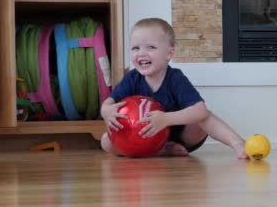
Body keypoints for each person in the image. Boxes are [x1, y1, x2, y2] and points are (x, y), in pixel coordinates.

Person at [100, 18, 248, 159]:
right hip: (142, 139)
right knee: (106, 142)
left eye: (151, 47)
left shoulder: (175, 78)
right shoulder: (132, 78)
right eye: (135, 48)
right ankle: (160, 150)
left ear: (169, 54)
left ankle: (238, 143)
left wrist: (165, 119)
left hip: (182, 138)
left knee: (203, 116)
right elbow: (108, 103)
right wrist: (107, 111)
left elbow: (200, 110)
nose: (141, 53)